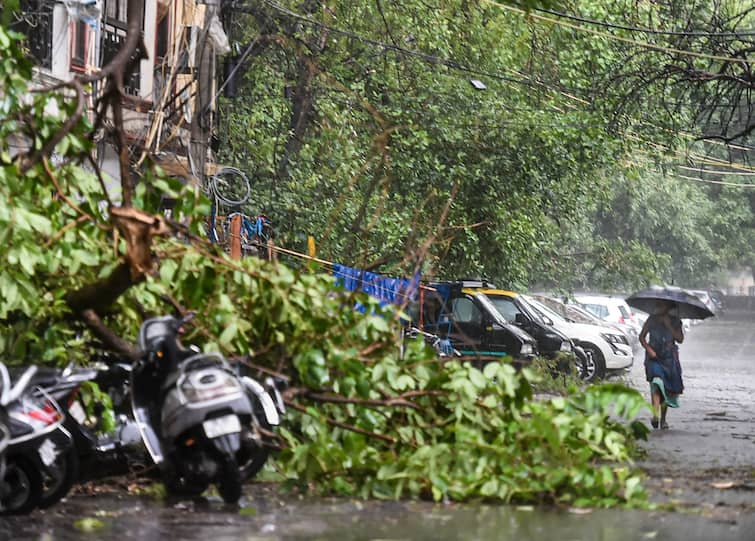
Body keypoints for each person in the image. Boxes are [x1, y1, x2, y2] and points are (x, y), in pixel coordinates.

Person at [639, 299, 684, 429]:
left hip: (669, 358)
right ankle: (655, 415)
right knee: (656, 384)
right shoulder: (651, 320)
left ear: (669, 307)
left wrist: (669, 325)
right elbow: (642, 337)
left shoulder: (676, 321)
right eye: (658, 304)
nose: (659, 306)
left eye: (662, 304)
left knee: (666, 389)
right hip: (654, 357)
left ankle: (663, 419)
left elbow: (680, 339)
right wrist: (649, 349)